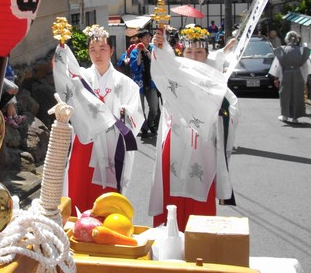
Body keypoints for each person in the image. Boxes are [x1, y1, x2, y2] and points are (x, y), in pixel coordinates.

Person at [148, 26, 239, 231]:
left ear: (207, 55)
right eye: (189, 51)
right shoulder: (176, 73)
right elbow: (163, 64)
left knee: (200, 189)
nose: (194, 56)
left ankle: (200, 241)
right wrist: (161, 46)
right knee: (172, 188)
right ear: (182, 52)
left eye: (199, 52)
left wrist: (219, 113)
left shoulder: (215, 80)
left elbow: (232, 107)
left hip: (204, 144)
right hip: (176, 142)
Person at [53, 24, 144, 215]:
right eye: (92, 49)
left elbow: (135, 112)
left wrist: (123, 113)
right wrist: (62, 52)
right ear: (87, 52)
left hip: (111, 145)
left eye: (103, 48)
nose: (98, 54)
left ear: (111, 50)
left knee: (106, 200)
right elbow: (64, 81)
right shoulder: (81, 78)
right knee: (79, 189)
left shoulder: (125, 83)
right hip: (86, 142)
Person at [269, 31, 311, 123]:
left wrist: (276, 78)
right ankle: (295, 117)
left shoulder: (282, 49)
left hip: (286, 74)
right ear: (297, 39)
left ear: (287, 39)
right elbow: (306, 66)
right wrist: (305, 78)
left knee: (285, 95)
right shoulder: (301, 50)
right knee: (297, 95)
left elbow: (278, 65)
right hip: (298, 73)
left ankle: (285, 116)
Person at [129, 30, 160, 138]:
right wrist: (138, 53)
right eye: (146, 37)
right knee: (140, 108)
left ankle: (150, 123)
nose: (148, 39)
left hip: (151, 81)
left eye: (149, 37)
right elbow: (135, 66)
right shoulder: (134, 51)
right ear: (140, 39)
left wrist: (145, 50)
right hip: (139, 82)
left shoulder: (152, 49)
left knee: (154, 108)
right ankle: (144, 128)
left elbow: (155, 62)